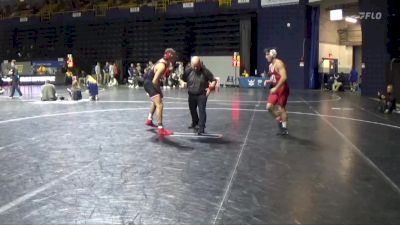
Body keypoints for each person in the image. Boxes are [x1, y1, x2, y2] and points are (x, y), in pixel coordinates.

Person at [143, 48, 176, 136]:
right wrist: (159, 91)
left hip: (148, 81)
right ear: (169, 55)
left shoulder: (165, 62)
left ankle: (149, 119)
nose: (174, 58)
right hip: (150, 83)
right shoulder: (162, 65)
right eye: (173, 56)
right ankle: (160, 128)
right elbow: (154, 81)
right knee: (160, 104)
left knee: (156, 101)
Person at [182, 56, 217, 135]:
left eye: (197, 66)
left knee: (202, 111)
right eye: (194, 66)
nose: (195, 68)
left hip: (201, 94)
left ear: (200, 64)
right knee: (192, 110)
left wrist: (211, 87)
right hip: (191, 94)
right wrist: (183, 83)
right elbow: (182, 79)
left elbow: (213, 80)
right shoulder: (188, 71)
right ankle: (195, 122)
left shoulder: (205, 71)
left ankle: (201, 127)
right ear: (191, 64)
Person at [264, 48, 290, 135]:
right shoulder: (270, 66)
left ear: (272, 54)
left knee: (281, 109)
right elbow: (274, 77)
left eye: (267, 54)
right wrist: (269, 81)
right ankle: (279, 119)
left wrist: (275, 88)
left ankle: (284, 128)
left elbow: (284, 77)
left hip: (282, 88)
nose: (266, 56)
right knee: (268, 107)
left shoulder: (279, 63)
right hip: (276, 88)